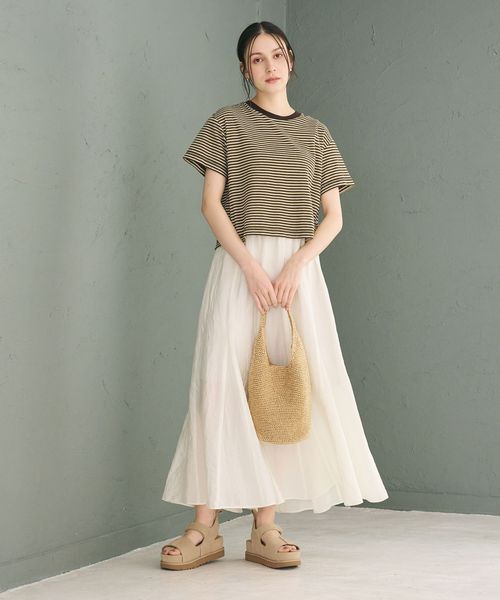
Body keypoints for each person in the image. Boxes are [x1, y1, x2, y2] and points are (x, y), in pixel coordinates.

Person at [160, 21, 389, 570]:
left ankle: (265, 526)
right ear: (245, 69)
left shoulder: (315, 133)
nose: (270, 66)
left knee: (280, 390)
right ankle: (204, 526)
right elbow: (211, 205)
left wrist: (294, 267)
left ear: (291, 61)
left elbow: (333, 217)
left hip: (296, 276)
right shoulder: (226, 124)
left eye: (278, 55)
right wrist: (250, 267)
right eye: (257, 58)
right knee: (219, 385)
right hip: (238, 268)